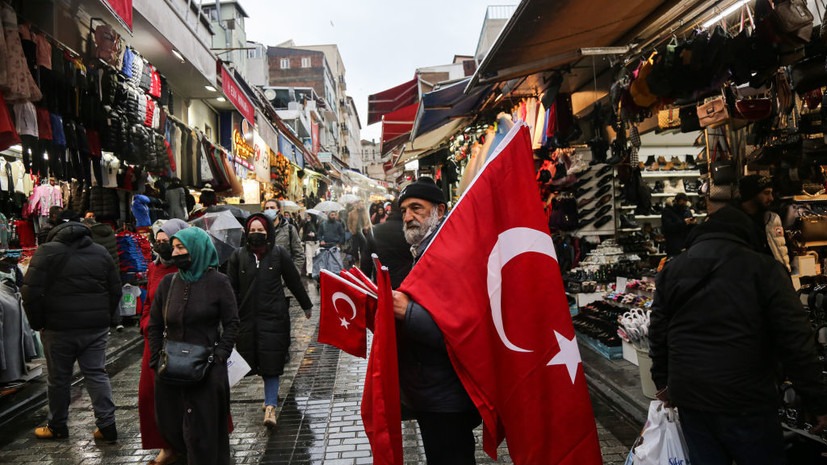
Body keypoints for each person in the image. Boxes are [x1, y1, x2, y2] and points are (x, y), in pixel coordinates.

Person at [649, 205, 827, 465]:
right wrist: (817, 402)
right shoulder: (764, 269)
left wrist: (662, 381)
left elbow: (658, 331)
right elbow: (796, 340)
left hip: (692, 394)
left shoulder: (673, 269)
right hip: (748, 397)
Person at [390, 178, 481, 465]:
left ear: (440, 211)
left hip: (447, 395)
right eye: (404, 210)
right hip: (431, 391)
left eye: (416, 208)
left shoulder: (450, 255)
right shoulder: (425, 250)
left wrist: (409, 313)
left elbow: (463, 332)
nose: (407, 217)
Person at [22, 210, 122, 442]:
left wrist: (39, 323)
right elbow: (115, 289)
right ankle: (107, 426)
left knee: (58, 379)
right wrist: (106, 318)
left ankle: (57, 426)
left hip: (58, 328)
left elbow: (30, 293)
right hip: (94, 328)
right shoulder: (100, 252)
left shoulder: (46, 252)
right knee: (96, 374)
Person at [147, 227, 239, 465]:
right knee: (174, 429)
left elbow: (232, 323)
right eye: (174, 247)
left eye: (181, 247)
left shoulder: (219, 282)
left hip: (207, 372)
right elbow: (155, 324)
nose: (175, 253)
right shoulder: (168, 283)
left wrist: (219, 356)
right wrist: (157, 358)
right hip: (171, 373)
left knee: (206, 435)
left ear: (197, 249)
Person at [227, 214, 313, 428]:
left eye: (260, 230)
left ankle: (271, 406)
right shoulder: (238, 256)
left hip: (274, 316)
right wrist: (229, 314)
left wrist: (306, 305)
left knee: (271, 363)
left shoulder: (278, 253)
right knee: (255, 360)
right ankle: (268, 401)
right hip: (247, 319)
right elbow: (230, 288)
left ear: (268, 232)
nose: (256, 234)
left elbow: (293, 279)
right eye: (252, 230)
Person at [139, 219, 188, 465]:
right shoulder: (153, 268)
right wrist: (146, 324)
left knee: (184, 395)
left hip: (183, 340)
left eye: (166, 241)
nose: (162, 246)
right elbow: (147, 303)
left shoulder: (186, 269)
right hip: (155, 341)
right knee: (151, 395)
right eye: (157, 242)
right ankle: (165, 446)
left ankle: (190, 442)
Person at [738, 174, 790, 270]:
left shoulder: (772, 219)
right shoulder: (736, 222)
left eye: (771, 193)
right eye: (766, 193)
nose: (771, 198)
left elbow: (782, 252)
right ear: (752, 194)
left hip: (775, 279)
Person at [360, 201, 413, 289]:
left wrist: (366, 286)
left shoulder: (375, 231)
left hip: (382, 284)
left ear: (390, 210)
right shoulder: (414, 231)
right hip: (407, 285)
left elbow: (366, 263)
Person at [262, 199, 304, 274]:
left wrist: (293, 275)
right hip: (266, 279)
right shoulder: (261, 230)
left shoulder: (289, 230)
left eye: (272, 208)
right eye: (266, 208)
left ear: (279, 211)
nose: (269, 210)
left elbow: (299, 255)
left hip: (284, 280)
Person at [661, 192, 695, 256]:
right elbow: (668, 227)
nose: (683, 205)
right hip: (673, 243)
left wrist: (692, 223)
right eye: (681, 203)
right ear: (676, 201)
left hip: (686, 242)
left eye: (684, 204)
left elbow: (690, 227)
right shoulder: (667, 211)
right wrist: (684, 222)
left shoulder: (686, 210)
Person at [301, 212, 319, 277]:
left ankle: (314, 270)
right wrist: (303, 240)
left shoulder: (317, 224)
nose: (307, 218)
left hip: (315, 242)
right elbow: (304, 233)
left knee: (315, 257)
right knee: (309, 257)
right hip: (308, 242)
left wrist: (314, 234)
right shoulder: (306, 224)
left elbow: (319, 233)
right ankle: (309, 272)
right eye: (307, 216)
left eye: (309, 216)